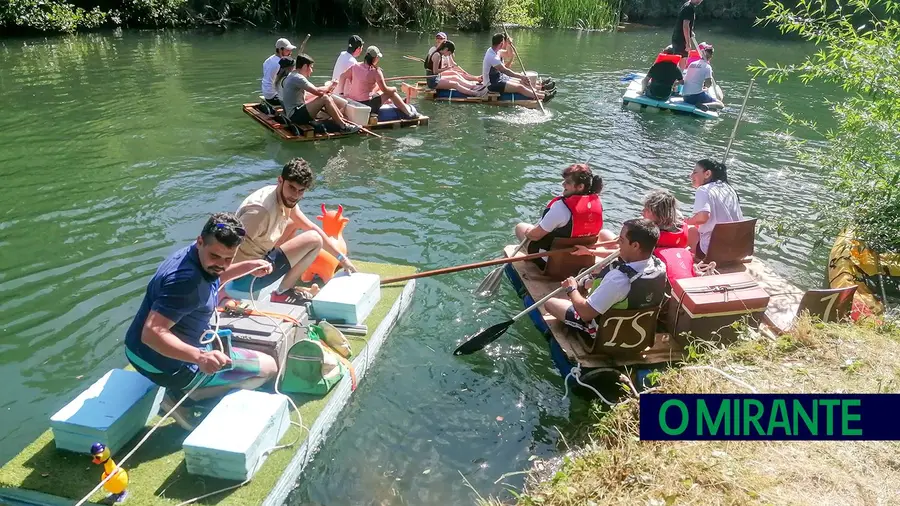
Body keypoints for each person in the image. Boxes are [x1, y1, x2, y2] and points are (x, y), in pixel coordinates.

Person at [124, 213, 279, 430]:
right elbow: (151, 333)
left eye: (229, 258)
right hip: (164, 366)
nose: (222, 265)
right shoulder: (187, 283)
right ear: (200, 242)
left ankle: (186, 386)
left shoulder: (194, 255)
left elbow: (216, 278)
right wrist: (200, 357)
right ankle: (188, 396)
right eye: (216, 256)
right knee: (270, 367)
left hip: (135, 351)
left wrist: (250, 265)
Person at [226, 158, 358, 305]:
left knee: (295, 223)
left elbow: (311, 226)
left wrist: (342, 259)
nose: (295, 195)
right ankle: (282, 292)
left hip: (261, 256)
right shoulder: (260, 213)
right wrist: (220, 289)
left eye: (301, 191)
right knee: (314, 240)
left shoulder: (283, 197)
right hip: (246, 277)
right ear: (280, 180)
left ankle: (285, 282)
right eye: (292, 188)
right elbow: (229, 246)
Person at [543, 219, 667, 344]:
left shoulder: (618, 280)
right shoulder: (659, 266)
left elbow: (585, 313)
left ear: (635, 246)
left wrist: (571, 289)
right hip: (636, 336)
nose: (618, 243)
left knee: (550, 303)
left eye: (622, 240)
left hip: (606, 337)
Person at [514, 163, 617, 269]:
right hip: (582, 261)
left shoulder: (560, 208)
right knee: (605, 233)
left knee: (521, 227)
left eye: (567, 182)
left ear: (580, 187)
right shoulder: (597, 203)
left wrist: (529, 232)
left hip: (552, 264)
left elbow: (535, 236)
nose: (563, 184)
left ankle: (533, 260)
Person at [281, 54, 360, 133]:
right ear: (305, 66)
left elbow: (310, 94)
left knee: (326, 96)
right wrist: (330, 86)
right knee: (325, 98)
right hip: (295, 115)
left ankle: (341, 120)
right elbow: (317, 91)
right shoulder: (298, 78)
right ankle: (344, 127)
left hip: (295, 113)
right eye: (311, 67)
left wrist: (326, 91)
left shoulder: (292, 75)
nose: (312, 70)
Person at [339, 46, 420, 119]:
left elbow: (342, 76)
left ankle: (397, 103)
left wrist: (341, 94)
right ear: (376, 58)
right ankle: (409, 113)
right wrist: (394, 88)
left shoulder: (355, 66)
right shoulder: (376, 71)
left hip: (354, 101)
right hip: (366, 105)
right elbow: (385, 90)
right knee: (391, 93)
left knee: (378, 90)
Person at [685, 159, 744, 257]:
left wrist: (686, 221)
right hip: (738, 249)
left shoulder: (703, 190)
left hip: (714, 252)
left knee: (690, 230)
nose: (691, 176)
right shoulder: (729, 188)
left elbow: (703, 217)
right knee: (698, 228)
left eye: (695, 172)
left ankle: (693, 259)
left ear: (707, 174)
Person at [481, 33, 555, 102]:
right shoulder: (492, 57)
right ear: (501, 43)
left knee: (521, 82)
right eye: (504, 42)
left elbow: (508, 54)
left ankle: (542, 90)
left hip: (499, 77)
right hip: (492, 84)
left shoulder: (496, 51)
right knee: (520, 87)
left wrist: (509, 44)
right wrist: (521, 76)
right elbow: (506, 71)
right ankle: (543, 96)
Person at [681, 42, 724, 111]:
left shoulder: (692, 64)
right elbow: (708, 84)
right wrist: (705, 87)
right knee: (720, 104)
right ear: (711, 56)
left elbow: (686, 80)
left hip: (685, 97)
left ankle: (702, 102)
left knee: (701, 91)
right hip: (695, 97)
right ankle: (705, 105)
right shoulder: (707, 67)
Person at [261, 38, 296, 106]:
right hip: (274, 96)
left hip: (266, 93)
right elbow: (285, 83)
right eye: (288, 50)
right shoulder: (280, 64)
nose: (290, 53)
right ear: (280, 50)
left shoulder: (268, 60)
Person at [671, 0, 703, 70]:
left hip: (678, 37)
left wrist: (690, 31)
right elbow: (685, 26)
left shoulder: (687, 5)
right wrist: (688, 43)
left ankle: (677, 77)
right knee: (683, 59)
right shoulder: (689, 8)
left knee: (681, 58)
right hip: (681, 39)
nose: (700, 1)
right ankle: (679, 78)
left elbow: (685, 23)